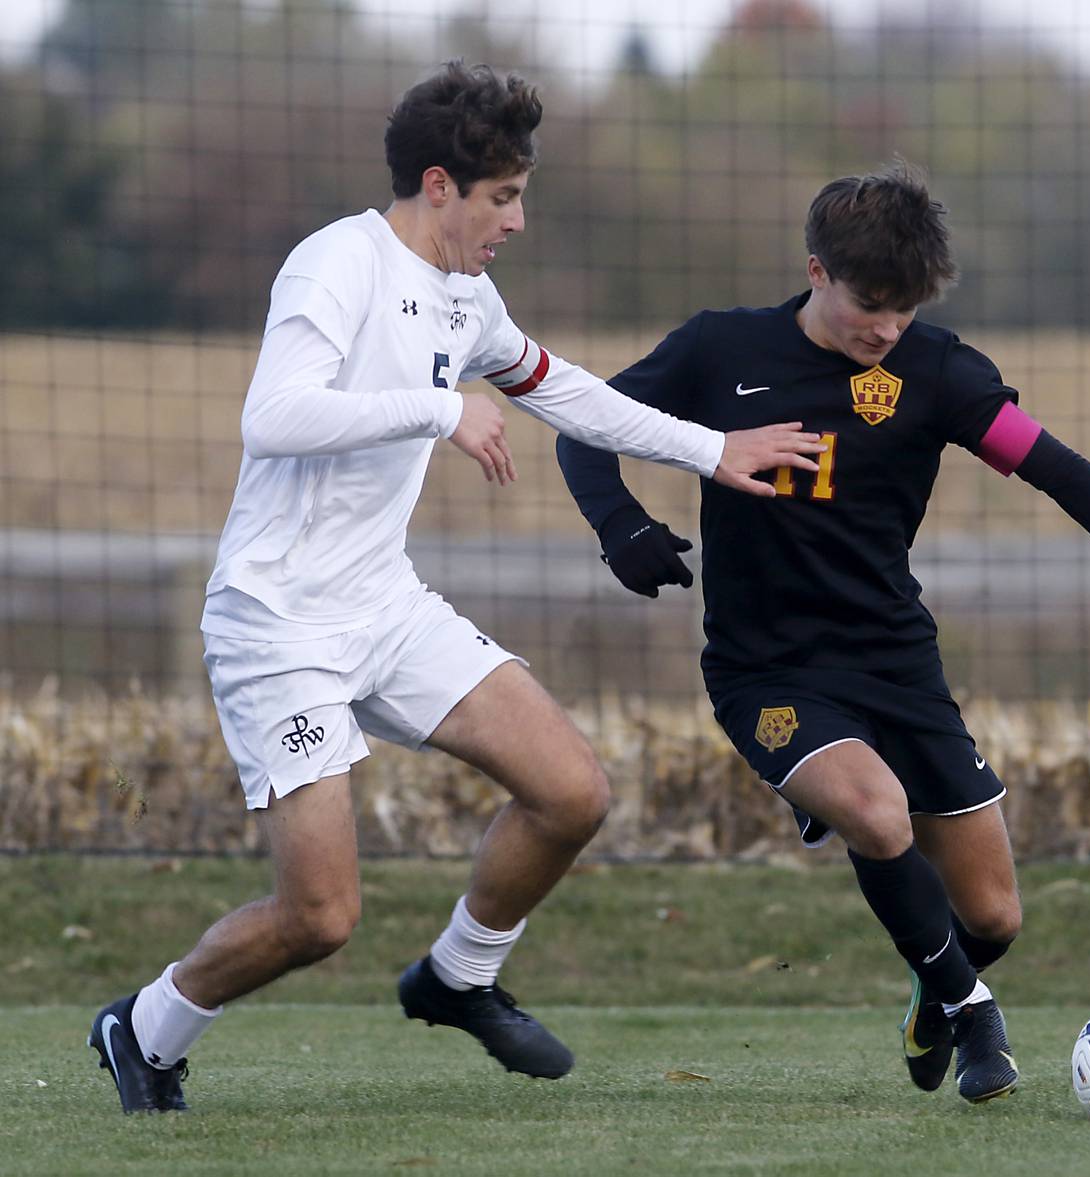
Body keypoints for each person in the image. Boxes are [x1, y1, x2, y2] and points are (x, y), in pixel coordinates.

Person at [87, 61, 825, 1114]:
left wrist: (712, 450)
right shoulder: (332, 265)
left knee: (573, 790)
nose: (517, 220)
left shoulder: (466, 294)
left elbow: (560, 388)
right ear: (441, 185)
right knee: (321, 917)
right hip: (278, 624)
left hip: (384, 608)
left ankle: (457, 974)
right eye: (504, 197)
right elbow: (275, 417)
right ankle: (146, 1024)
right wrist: (438, 412)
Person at [556, 162, 1090, 1104]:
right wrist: (624, 528)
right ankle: (976, 1018)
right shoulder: (717, 350)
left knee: (993, 915)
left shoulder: (937, 372)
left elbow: (1064, 473)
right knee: (876, 810)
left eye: (905, 309)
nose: (886, 328)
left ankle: (938, 992)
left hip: (897, 661)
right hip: (766, 670)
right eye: (869, 304)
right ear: (816, 271)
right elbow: (582, 429)